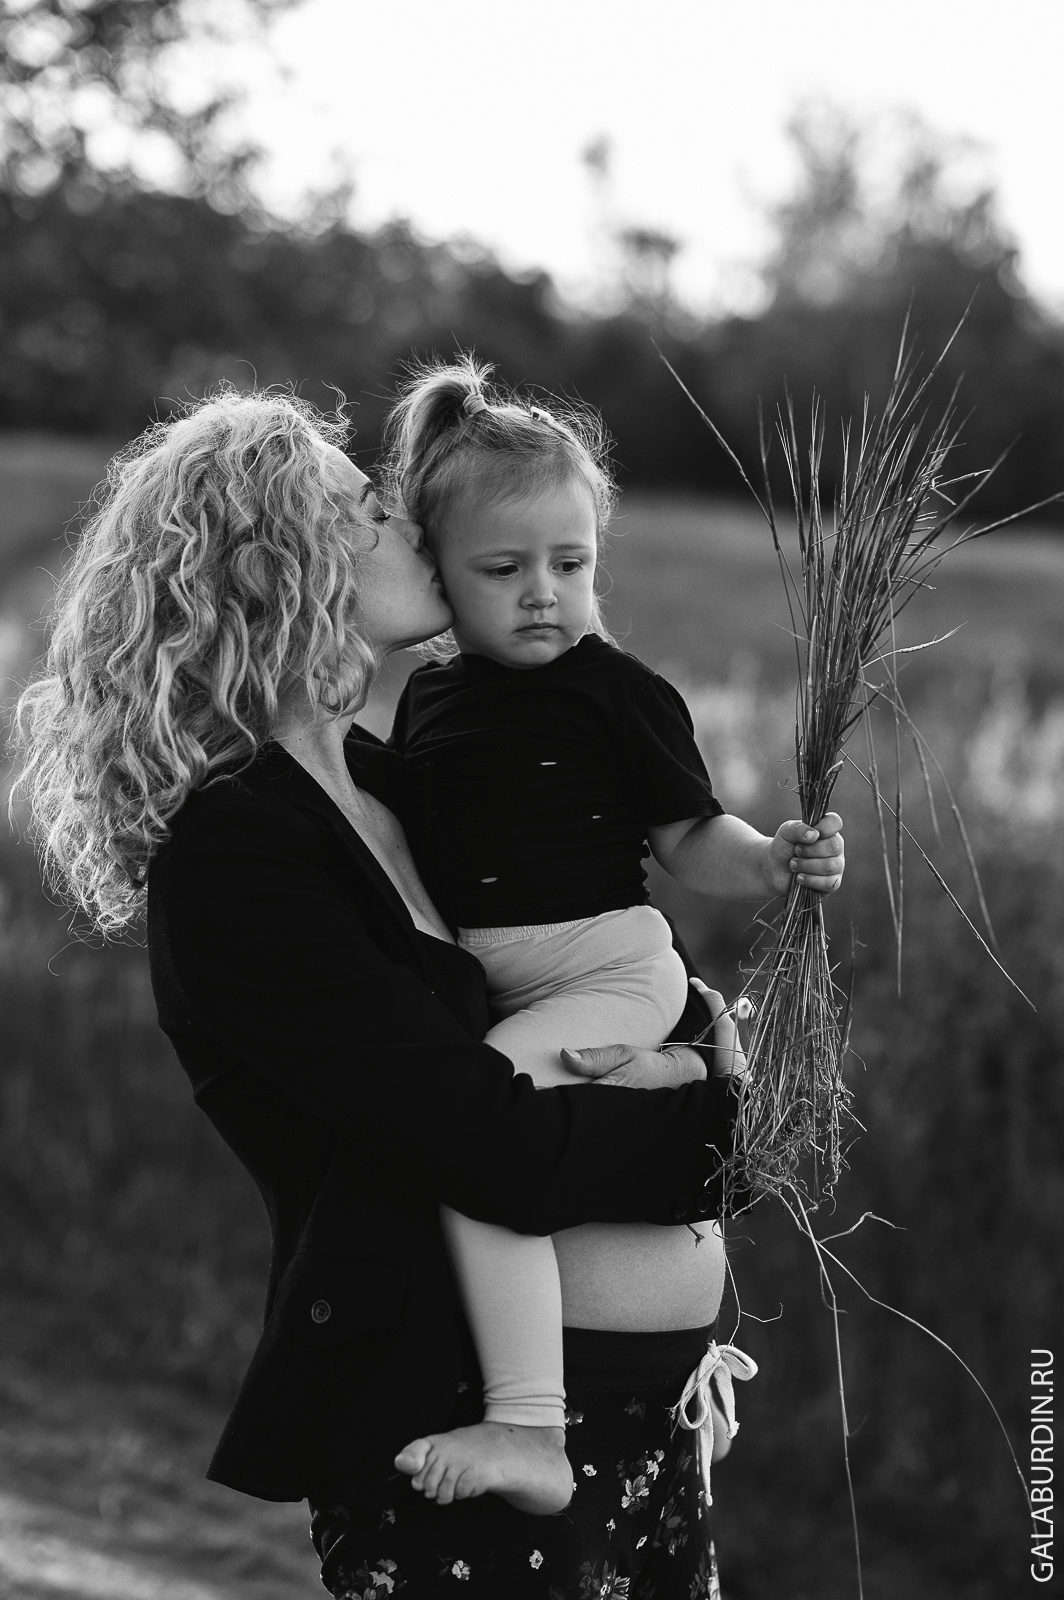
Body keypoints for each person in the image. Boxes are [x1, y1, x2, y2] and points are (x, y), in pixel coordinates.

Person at [11, 388, 760, 1599]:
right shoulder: (238, 857)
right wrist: (726, 1126)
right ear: (279, 561)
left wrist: (680, 1016)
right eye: (368, 509)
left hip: (648, 1420)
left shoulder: (394, 777)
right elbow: (481, 1141)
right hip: (460, 1425)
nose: (412, 523)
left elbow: (566, 961)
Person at [381, 357, 845, 1525]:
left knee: (478, 1137)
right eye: (504, 569)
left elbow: (690, 836)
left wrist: (772, 861)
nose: (543, 593)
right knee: (499, 1126)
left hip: (604, 966)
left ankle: (529, 1426)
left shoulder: (616, 693)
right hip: (510, 986)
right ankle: (675, 1088)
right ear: (435, 573)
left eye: (571, 564)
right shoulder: (428, 700)